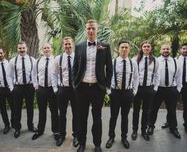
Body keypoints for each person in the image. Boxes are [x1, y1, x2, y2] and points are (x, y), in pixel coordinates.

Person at [72, 19, 112, 152]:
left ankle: (97, 144)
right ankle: (82, 144)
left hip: (97, 88)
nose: (90, 31)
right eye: (88, 28)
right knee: (82, 117)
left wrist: (106, 85)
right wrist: (75, 84)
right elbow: (75, 67)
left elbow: (109, 68)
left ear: (97, 30)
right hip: (82, 88)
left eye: (93, 28)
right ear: (86, 30)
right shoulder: (79, 46)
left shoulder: (105, 46)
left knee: (97, 118)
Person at [105, 41, 139, 149]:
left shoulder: (133, 63)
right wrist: (109, 91)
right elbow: (107, 77)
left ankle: (124, 138)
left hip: (128, 93)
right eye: (122, 47)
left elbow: (136, 78)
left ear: (129, 49)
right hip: (115, 93)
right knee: (113, 117)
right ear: (118, 49)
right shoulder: (113, 62)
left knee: (125, 117)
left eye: (126, 47)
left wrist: (134, 91)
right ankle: (111, 137)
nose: (124, 49)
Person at [147, 44, 182, 139]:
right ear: (160, 50)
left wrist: (178, 89)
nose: (165, 50)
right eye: (164, 49)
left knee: (172, 110)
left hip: (171, 89)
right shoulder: (155, 60)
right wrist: (153, 88)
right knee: (153, 109)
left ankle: (173, 128)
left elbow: (179, 76)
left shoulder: (175, 61)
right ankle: (150, 126)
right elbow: (152, 75)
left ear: (170, 50)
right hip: (158, 89)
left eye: (167, 49)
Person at [52, 37, 79, 147]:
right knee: (61, 114)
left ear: (73, 45)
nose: (68, 46)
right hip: (62, 89)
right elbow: (54, 73)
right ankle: (62, 135)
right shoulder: (58, 59)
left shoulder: (78, 57)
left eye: (69, 44)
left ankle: (76, 135)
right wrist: (55, 89)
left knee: (76, 114)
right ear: (63, 46)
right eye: (65, 44)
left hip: (75, 90)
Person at [8, 41, 37, 138]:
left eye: (23, 48)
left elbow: (35, 74)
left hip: (29, 87)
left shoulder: (32, 60)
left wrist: (35, 85)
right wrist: (12, 88)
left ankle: (30, 126)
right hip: (18, 88)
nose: (22, 50)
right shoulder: (13, 61)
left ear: (26, 48)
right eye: (20, 48)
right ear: (17, 49)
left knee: (30, 108)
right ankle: (17, 128)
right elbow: (9, 75)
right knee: (17, 109)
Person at [131, 40, 159, 141]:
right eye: (144, 46)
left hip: (149, 89)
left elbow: (156, 75)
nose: (146, 48)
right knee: (136, 111)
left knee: (146, 111)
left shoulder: (155, 60)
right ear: (141, 48)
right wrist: (133, 88)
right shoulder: (135, 59)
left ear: (151, 48)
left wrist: (155, 88)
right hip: (137, 89)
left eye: (148, 46)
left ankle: (143, 131)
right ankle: (134, 131)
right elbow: (132, 75)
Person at [31, 43, 59, 140]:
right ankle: (40, 130)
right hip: (41, 89)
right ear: (42, 50)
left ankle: (56, 131)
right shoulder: (38, 61)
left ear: (52, 49)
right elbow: (33, 74)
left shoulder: (56, 60)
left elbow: (59, 74)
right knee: (41, 111)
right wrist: (36, 86)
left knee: (54, 111)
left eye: (48, 48)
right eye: (44, 48)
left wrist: (57, 87)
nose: (46, 49)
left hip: (52, 89)